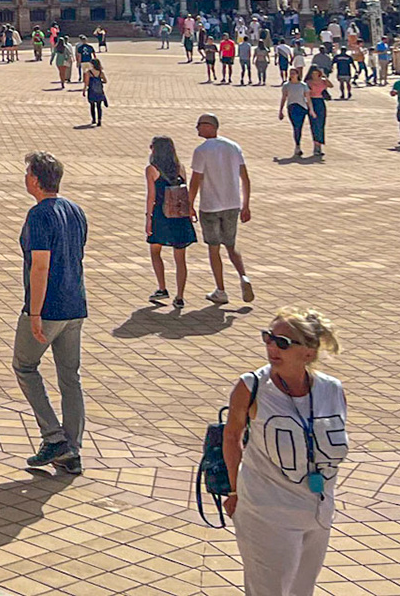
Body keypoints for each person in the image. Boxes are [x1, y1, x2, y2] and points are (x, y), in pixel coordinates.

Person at [220, 309, 349, 596]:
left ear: (309, 352)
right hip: (266, 512)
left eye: (282, 342)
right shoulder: (252, 387)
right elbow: (231, 437)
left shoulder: (332, 390)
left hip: (318, 512)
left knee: (302, 590)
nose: (271, 347)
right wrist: (233, 490)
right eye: (268, 338)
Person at [15, 151, 87, 477]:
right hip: (75, 304)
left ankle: (54, 437)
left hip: (49, 307)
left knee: (25, 366)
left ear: (35, 179)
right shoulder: (75, 210)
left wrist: (35, 312)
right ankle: (72, 449)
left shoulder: (39, 215)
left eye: (27, 173)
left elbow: (40, 266)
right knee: (70, 377)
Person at [189, 113, 256, 306]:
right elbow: (245, 178)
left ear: (210, 126)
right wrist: (246, 204)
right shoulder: (233, 147)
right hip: (232, 204)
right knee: (231, 245)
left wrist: (189, 205)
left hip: (210, 206)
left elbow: (195, 180)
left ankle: (221, 290)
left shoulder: (201, 150)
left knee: (214, 248)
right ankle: (243, 276)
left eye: (200, 125)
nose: (197, 128)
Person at [145, 135, 196, 311]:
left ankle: (162, 288)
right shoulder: (180, 168)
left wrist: (148, 219)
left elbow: (151, 197)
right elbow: (184, 192)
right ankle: (180, 296)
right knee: (180, 258)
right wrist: (190, 210)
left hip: (161, 215)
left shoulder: (152, 169)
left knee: (155, 251)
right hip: (179, 215)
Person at [279, 67, 312, 158]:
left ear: (298, 74)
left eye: (294, 73)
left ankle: (298, 145)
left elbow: (308, 98)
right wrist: (281, 110)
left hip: (301, 107)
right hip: (292, 107)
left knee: (299, 126)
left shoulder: (303, 85)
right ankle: (297, 145)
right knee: (295, 126)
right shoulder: (286, 85)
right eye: (291, 73)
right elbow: (284, 98)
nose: (292, 75)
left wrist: (311, 109)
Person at [305, 65, 330, 158]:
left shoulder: (322, 81)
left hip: (320, 102)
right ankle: (316, 145)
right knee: (314, 124)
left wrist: (324, 76)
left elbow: (330, 85)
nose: (315, 75)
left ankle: (319, 144)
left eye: (316, 73)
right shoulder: (308, 82)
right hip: (312, 102)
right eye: (313, 74)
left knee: (321, 124)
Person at [83, 59, 107, 127]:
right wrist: (99, 82)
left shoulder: (89, 72)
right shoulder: (100, 72)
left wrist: (84, 90)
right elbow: (105, 80)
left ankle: (93, 119)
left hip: (91, 90)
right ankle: (99, 120)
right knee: (99, 106)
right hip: (99, 91)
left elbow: (86, 82)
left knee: (92, 105)